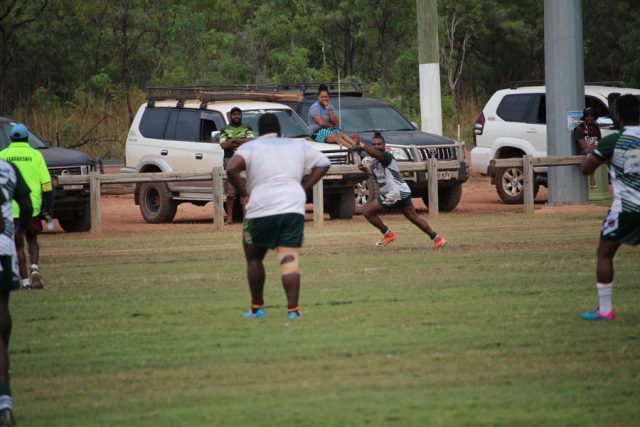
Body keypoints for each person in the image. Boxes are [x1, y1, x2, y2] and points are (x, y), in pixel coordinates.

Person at [226, 113, 330, 319]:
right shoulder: (296, 145)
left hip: (260, 207)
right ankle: (293, 311)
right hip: (292, 207)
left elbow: (231, 168)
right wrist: (304, 187)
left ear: (259, 131)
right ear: (279, 130)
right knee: (289, 260)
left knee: (254, 259)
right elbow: (324, 163)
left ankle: (257, 308)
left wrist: (244, 193)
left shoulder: (251, 147)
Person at [579, 94, 640, 321]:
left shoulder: (613, 140)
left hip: (626, 209)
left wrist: (594, 155)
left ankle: (605, 310)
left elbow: (586, 169)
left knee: (604, 254)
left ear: (618, 117)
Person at [356, 131, 447, 249]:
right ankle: (438, 239)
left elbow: (376, 155)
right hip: (401, 191)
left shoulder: (387, 156)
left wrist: (362, 145)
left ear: (385, 146)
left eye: (379, 144)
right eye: (374, 144)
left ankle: (388, 234)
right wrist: (365, 170)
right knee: (414, 218)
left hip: (396, 192)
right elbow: (379, 176)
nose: (377, 146)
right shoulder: (373, 161)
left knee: (367, 212)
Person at [0, 157, 33, 426]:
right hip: (4, 247)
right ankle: (5, 403)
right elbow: (27, 205)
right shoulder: (7, 167)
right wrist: (20, 231)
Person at [0, 124, 52, 290]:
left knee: (18, 245)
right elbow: (46, 183)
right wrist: (48, 204)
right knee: (32, 238)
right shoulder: (36, 155)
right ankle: (34, 268)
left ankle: (26, 282)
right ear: (27, 138)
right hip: (31, 206)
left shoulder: (3, 155)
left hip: (10, 208)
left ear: (11, 138)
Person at [219, 107, 254, 225]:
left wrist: (234, 140)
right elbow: (223, 145)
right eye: (234, 114)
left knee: (245, 192)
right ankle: (229, 218)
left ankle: (246, 218)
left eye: (238, 114)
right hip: (229, 165)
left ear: (241, 115)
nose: (236, 116)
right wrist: (242, 141)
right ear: (231, 116)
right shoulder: (224, 129)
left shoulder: (247, 127)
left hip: (245, 164)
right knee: (230, 194)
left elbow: (251, 141)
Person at [308, 84, 357, 149]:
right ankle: (352, 149)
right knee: (335, 137)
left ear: (328, 97)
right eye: (322, 97)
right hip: (317, 132)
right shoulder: (315, 107)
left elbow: (336, 122)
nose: (324, 99)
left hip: (329, 130)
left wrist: (330, 112)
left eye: (326, 97)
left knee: (343, 134)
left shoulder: (330, 106)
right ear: (318, 98)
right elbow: (321, 123)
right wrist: (332, 125)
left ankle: (356, 146)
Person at [573, 107, 602, 190]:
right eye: (587, 116)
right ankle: (592, 179)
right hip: (583, 152)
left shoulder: (596, 127)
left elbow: (600, 142)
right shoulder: (579, 129)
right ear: (584, 117)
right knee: (589, 152)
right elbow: (583, 146)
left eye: (591, 116)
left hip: (594, 150)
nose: (590, 118)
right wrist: (595, 147)